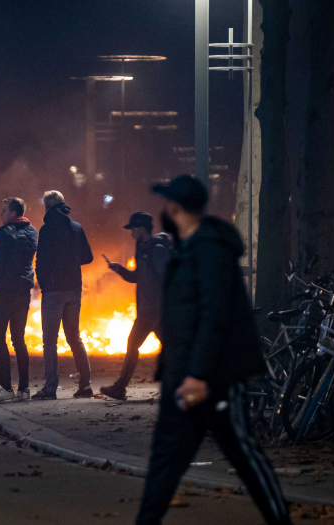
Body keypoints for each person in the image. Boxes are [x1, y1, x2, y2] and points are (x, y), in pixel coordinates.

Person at [136, 175, 290, 525]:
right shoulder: (187, 248)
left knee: (245, 457)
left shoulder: (210, 248)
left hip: (213, 379)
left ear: (175, 208)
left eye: (167, 206)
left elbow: (215, 316)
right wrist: (176, 372)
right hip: (183, 377)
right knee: (164, 461)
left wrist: (198, 375)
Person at [101, 212, 172, 400]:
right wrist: (119, 269)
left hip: (154, 310)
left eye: (132, 228)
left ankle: (120, 387)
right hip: (151, 309)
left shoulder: (156, 249)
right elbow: (137, 277)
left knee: (132, 345)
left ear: (140, 229)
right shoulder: (143, 247)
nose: (131, 232)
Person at [33, 190, 94, 400]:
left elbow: (40, 261)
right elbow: (88, 257)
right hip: (74, 289)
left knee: (50, 341)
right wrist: (71, 261)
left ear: (47, 208)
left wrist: (45, 284)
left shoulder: (46, 229)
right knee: (74, 337)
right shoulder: (76, 227)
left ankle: (50, 388)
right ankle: (85, 386)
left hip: (54, 291)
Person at [0, 198, 38, 403]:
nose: (1, 214)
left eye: (4, 211)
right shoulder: (32, 232)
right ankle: (24, 389)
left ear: (13, 213)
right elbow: (15, 242)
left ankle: (5, 388)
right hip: (23, 292)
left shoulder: (6, 233)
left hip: (4, 292)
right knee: (18, 339)